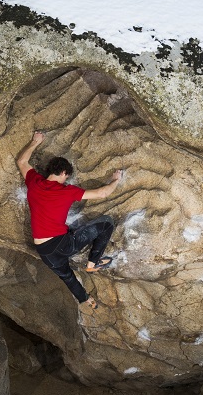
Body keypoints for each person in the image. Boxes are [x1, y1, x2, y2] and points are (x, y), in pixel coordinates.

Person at [15, 131, 124, 310]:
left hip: (45, 252)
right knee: (106, 223)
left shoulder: (34, 182)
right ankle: (92, 263)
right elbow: (102, 193)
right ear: (64, 172)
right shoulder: (66, 191)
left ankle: (85, 299)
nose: (66, 179)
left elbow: (21, 162)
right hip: (62, 244)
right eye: (67, 176)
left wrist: (35, 141)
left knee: (67, 277)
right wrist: (115, 180)